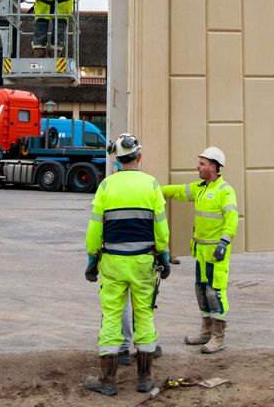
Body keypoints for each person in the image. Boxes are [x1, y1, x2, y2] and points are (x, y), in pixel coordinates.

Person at [83, 133, 171, 396]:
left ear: (117, 160)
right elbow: (161, 228)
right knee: (144, 315)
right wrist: (163, 255)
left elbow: (95, 229)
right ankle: (145, 379)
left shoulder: (106, 186)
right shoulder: (152, 185)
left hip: (113, 263)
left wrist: (91, 258)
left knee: (111, 316)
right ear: (139, 157)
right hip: (144, 262)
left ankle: (108, 381)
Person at [161, 146, 239, 354]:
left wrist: (224, 242)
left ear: (213, 167)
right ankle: (205, 332)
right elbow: (177, 191)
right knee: (201, 291)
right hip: (201, 252)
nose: (198, 166)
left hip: (216, 252)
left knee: (214, 293)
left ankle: (218, 337)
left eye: (202, 163)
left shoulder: (225, 191)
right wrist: (153, 189)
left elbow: (232, 219)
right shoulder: (199, 188)